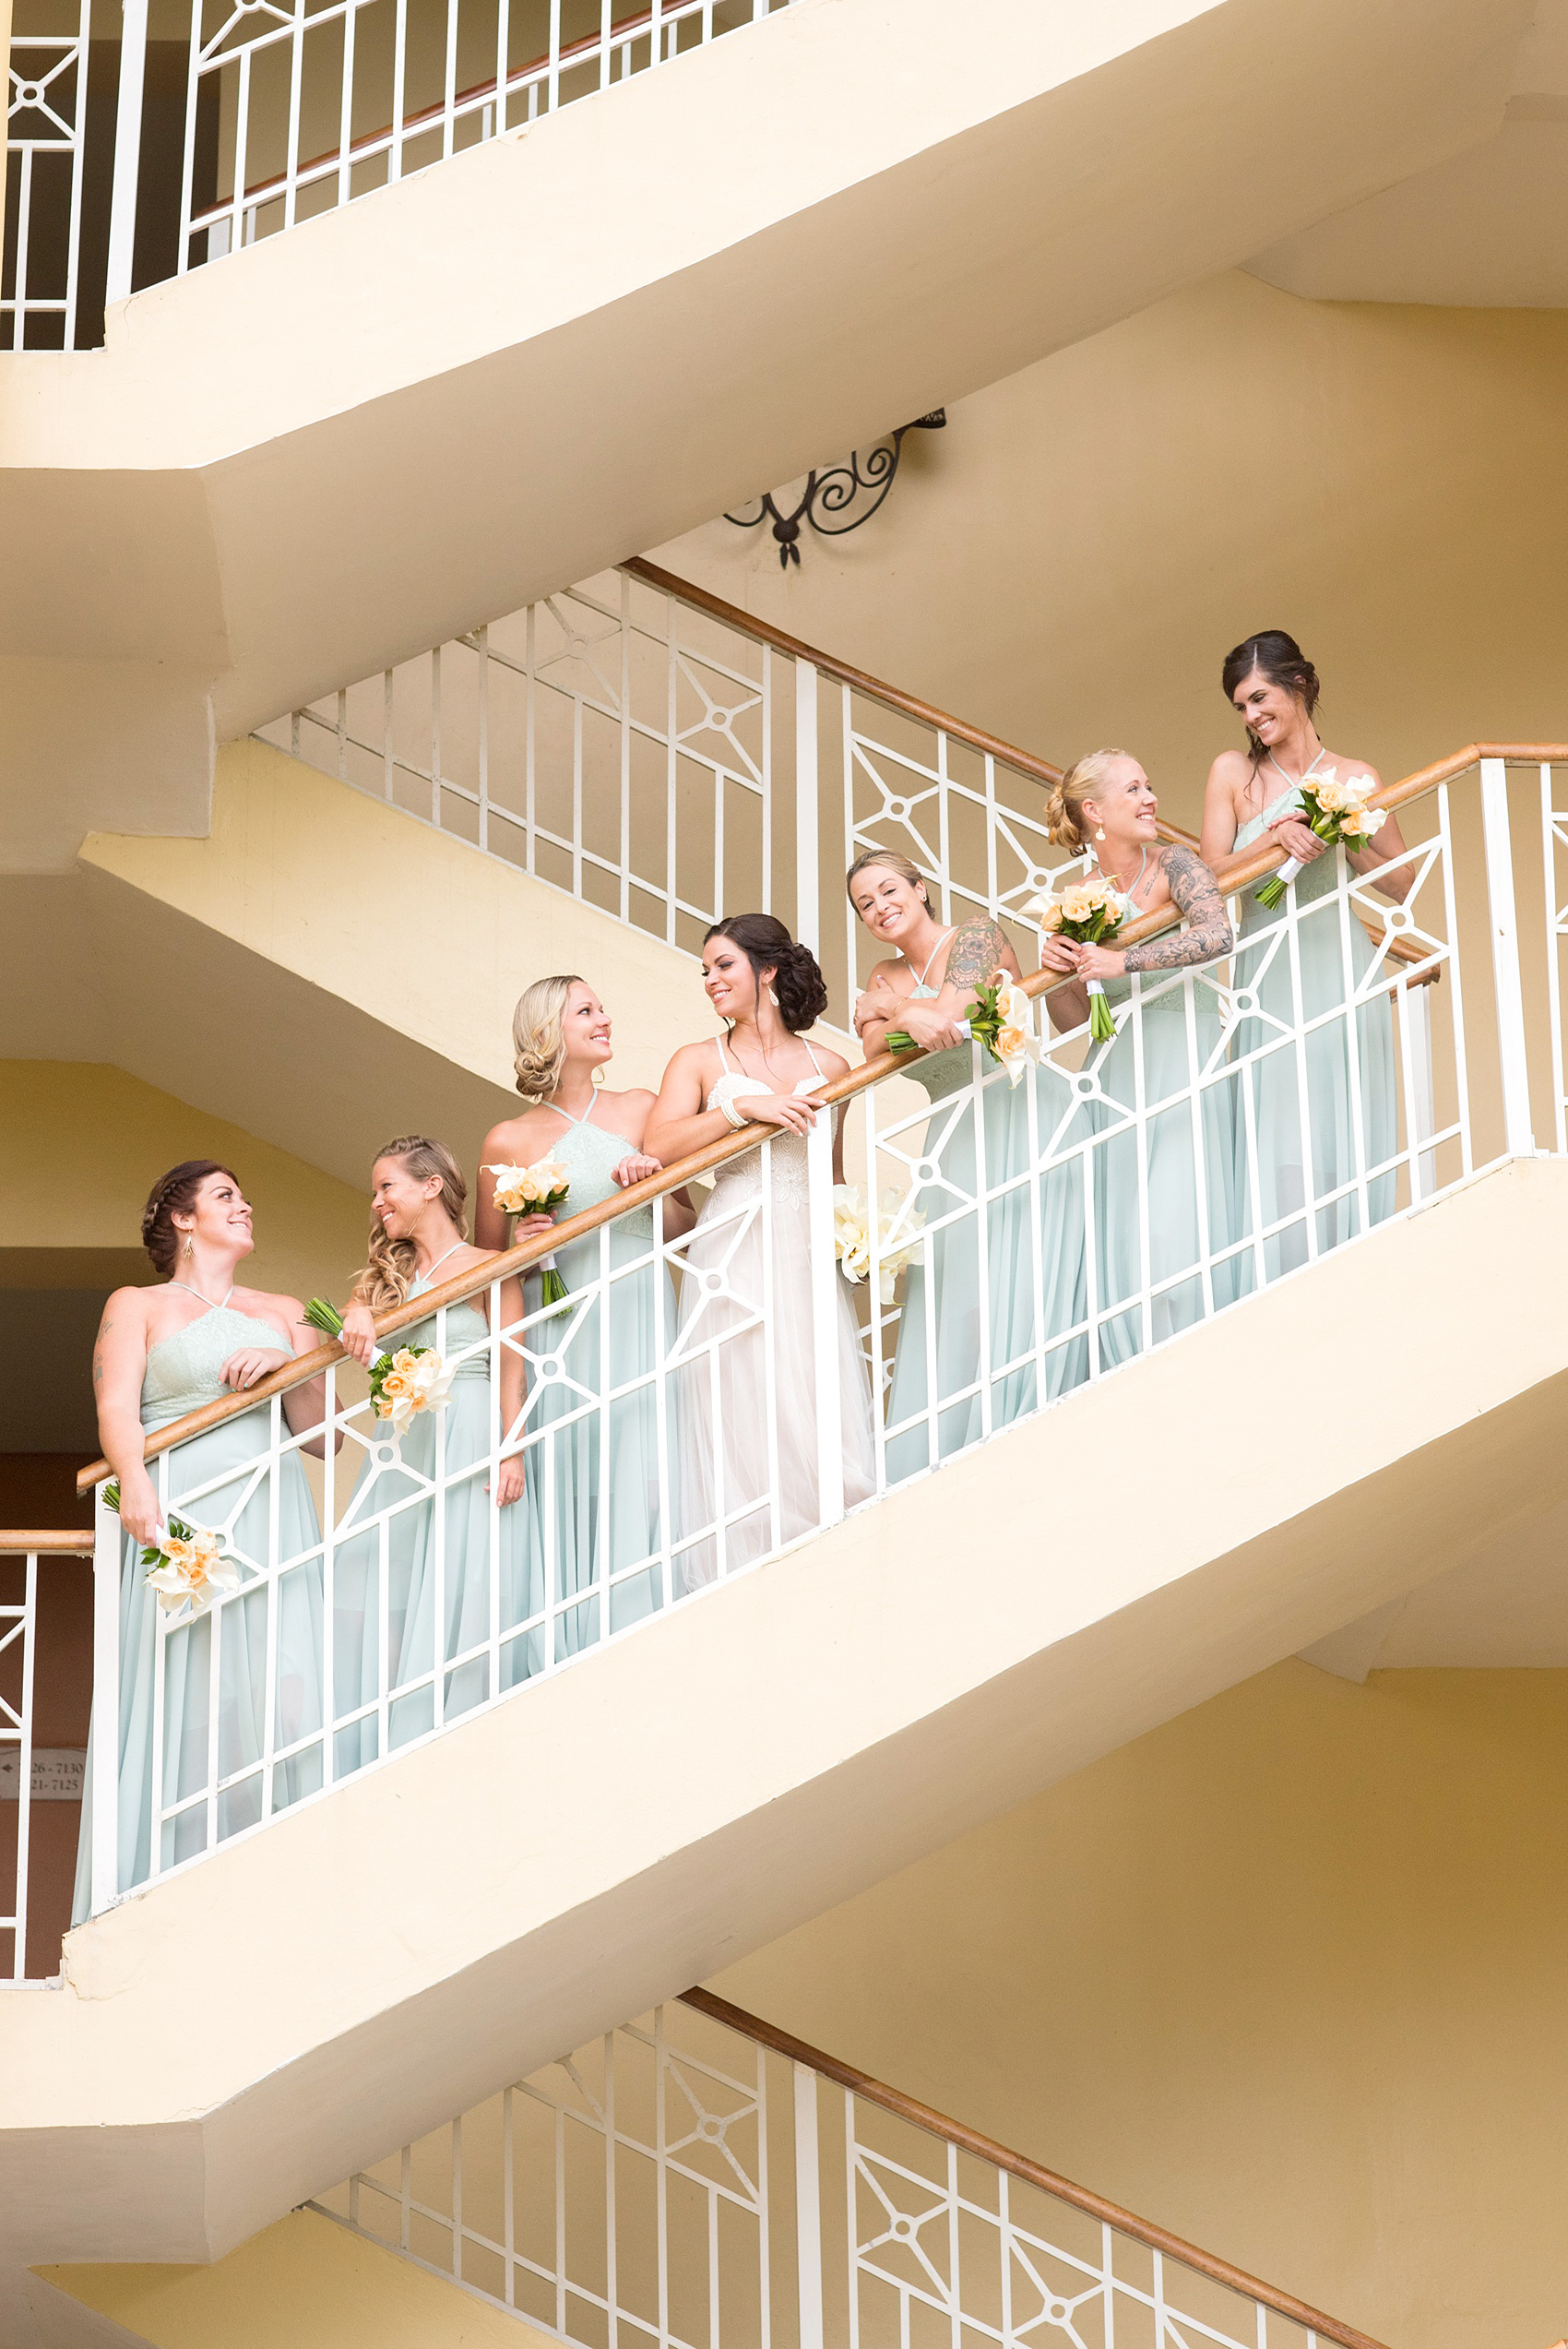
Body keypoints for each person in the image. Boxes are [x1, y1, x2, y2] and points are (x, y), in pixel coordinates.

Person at [75, 1162, 329, 1917]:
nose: (244, 1204)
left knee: (282, 1691)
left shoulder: (286, 1310)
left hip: (272, 1512)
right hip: (179, 1511)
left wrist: (294, 1364)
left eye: (244, 1195)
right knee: (183, 1688)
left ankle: (284, 1880)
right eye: (225, 1196)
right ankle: (165, 1885)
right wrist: (136, 1484)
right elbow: (117, 1408)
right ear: (183, 1220)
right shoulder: (137, 1304)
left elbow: (324, 1439)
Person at [644, 914, 875, 1583]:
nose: (711, 981)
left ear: (766, 971)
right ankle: (744, 1554)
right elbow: (657, 1148)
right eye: (707, 971)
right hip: (734, 1238)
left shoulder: (829, 1065)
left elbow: (831, 1173)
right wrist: (743, 1111)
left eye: (724, 966)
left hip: (805, 1241)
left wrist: (853, 1243)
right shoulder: (696, 1060)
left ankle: (828, 1526)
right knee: (739, 1383)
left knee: (810, 1377)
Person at [476, 978, 695, 1657]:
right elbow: (484, 1266)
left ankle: (651, 1625)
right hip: (558, 1325)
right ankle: (573, 1640)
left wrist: (652, 1189)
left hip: (636, 1306)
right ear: (549, 1032)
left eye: (602, 1007)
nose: (606, 1019)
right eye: (587, 1011)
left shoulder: (641, 1108)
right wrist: (520, 1244)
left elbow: (686, 1224)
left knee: (650, 1463)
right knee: (572, 1470)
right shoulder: (508, 1139)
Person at [849, 853, 1087, 1474]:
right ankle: (966, 1434)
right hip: (952, 1139)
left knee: (1026, 1257)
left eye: (889, 889)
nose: (880, 907)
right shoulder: (883, 971)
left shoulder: (976, 935)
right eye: (865, 904)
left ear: (921, 888)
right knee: (960, 1279)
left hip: (1020, 1113)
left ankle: (1033, 1406)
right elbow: (874, 1049)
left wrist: (892, 1012)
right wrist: (904, 1017)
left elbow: (950, 1019)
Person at [1200, 631, 1411, 1279]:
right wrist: (1272, 832)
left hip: (1337, 960)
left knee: (1336, 1106)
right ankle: (1280, 1269)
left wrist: (1342, 829)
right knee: (1280, 1114)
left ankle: (1351, 1261)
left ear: (1298, 686)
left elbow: (1400, 882)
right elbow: (1209, 873)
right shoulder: (1235, 773)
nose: (1251, 716)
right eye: (1240, 706)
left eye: (1259, 697)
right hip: (1270, 969)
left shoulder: (1355, 777)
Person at [1040, 752, 1239, 1365]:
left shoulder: (1174, 863)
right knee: (1125, 1218)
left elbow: (1217, 933)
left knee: (1177, 1211)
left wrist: (1123, 959)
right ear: (1095, 810)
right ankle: (1133, 1355)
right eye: (1134, 789)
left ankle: (1196, 1347)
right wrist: (1060, 975)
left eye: (1149, 785)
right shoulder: (1074, 896)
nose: (1151, 797)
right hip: (1115, 1065)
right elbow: (1073, 1020)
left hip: (1182, 1045)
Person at [334, 1137, 529, 1759]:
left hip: (468, 1427)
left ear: (431, 1186)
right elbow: (349, 1315)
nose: (376, 1202)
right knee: (387, 1574)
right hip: (404, 1443)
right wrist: (356, 1312)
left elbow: (511, 1366)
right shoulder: (389, 1282)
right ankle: (396, 1734)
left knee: (464, 1569)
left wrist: (513, 1450)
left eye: (386, 1186)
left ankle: (460, 1726)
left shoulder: (486, 1263)